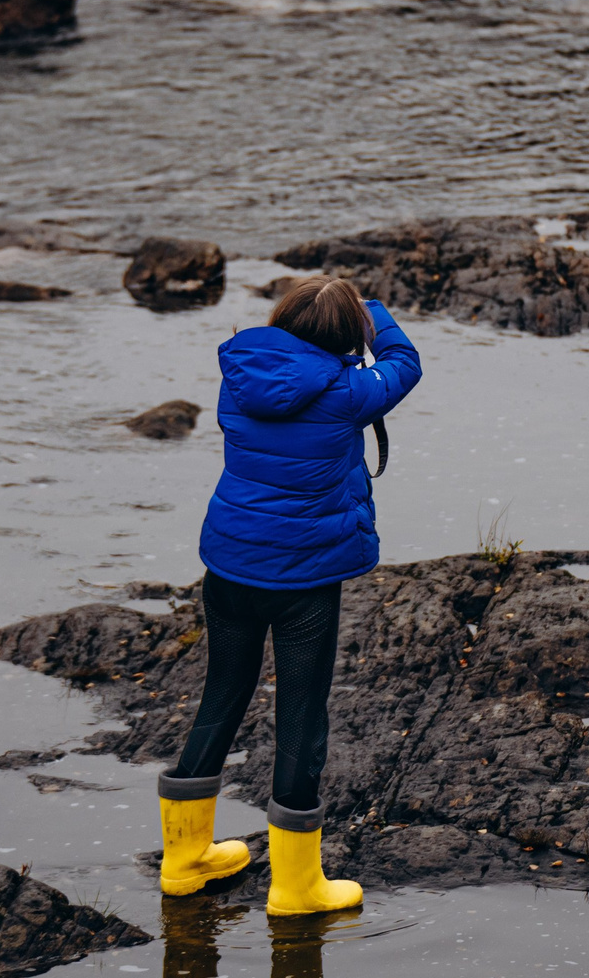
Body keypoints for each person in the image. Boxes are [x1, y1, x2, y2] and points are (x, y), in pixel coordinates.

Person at [156, 275, 422, 916]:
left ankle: (183, 861)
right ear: (344, 335)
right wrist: (372, 310)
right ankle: (297, 886)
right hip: (303, 585)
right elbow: (405, 362)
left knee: (221, 697)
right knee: (301, 716)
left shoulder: (238, 376)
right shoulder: (347, 392)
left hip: (231, 567)